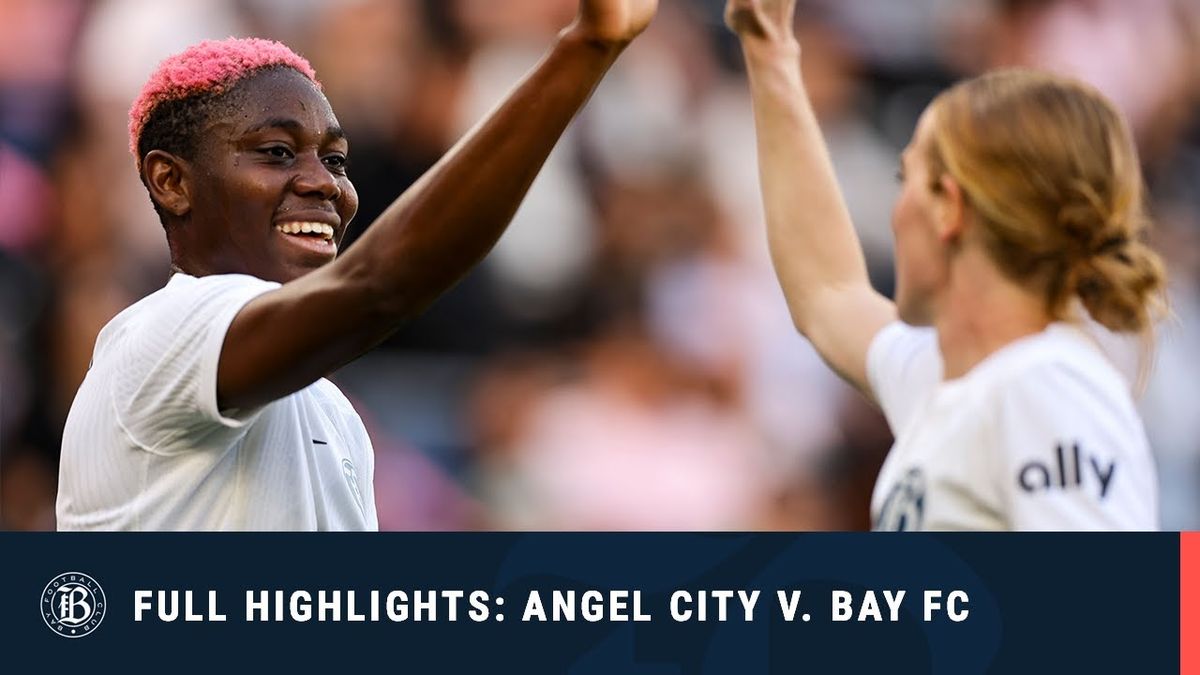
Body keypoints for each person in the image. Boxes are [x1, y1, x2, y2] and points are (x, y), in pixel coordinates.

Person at [56, 0, 659, 531]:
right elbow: (381, 287)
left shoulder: (332, 412)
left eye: (337, 160)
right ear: (172, 182)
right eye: (276, 152)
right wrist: (583, 48)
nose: (324, 184)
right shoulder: (159, 335)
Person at [725, 0, 1166, 530]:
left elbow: (1116, 608)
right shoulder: (957, 380)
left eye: (904, 179)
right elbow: (828, 292)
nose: (895, 213)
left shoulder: (1046, 383)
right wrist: (770, 50)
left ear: (949, 208)